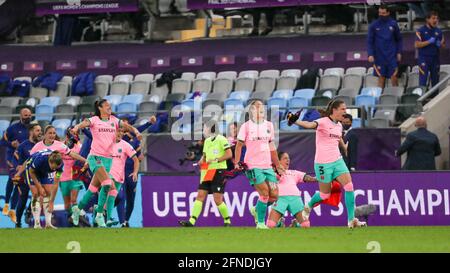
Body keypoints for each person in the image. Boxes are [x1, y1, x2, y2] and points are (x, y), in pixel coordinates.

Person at [288, 99, 366, 228]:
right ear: (334, 110)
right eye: (342, 109)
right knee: (325, 194)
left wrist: (344, 148)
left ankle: (351, 220)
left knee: (349, 186)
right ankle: (308, 206)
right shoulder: (322, 122)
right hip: (323, 163)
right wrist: (295, 120)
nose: (345, 111)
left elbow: (339, 137)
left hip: (337, 160)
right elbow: (308, 125)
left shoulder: (339, 125)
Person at [70, 99, 143, 227]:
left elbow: (126, 126)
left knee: (92, 189)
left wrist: (135, 131)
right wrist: (76, 127)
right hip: (95, 157)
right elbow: (85, 123)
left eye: (110, 106)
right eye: (107, 106)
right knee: (108, 183)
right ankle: (99, 215)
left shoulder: (114, 120)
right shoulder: (95, 120)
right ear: (100, 108)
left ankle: (77, 210)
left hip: (108, 159)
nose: (109, 107)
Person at [234, 99, 284, 229]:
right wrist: (237, 162)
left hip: (267, 166)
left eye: (261, 106)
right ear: (251, 110)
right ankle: (261, 223)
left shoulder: (269, 125)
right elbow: (239, 145)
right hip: (253, 165)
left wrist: (278, 165)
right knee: (265, 193)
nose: (260, 108)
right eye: (256, 106)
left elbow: (272, 147)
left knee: (274, 195)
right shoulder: (246, 126)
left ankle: (256, 209)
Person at [178, 121, 233, 227]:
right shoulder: (207, 141)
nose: (204, 131)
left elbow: (229, 154)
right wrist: (201, 161)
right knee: (200, 195)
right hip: (208, 171)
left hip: (219, 171)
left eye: (205, 128)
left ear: (210, 129)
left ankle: (227, 221)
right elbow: (205, 156)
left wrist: (216, 160)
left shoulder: (221, 139)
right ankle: (192, 221)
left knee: (218, 199)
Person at [117, 115, 155, 227]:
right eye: (122, 124)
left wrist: (149, 123)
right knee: (121, 197)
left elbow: (138, 156)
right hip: (120, 172)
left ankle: (126, 220)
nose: (123, 127)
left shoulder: (133, 140)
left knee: (131, 200)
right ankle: (122, 221)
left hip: (132, 172)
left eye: (125, 124)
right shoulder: (119, 138)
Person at [266, 152, 317, 229]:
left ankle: (296, 224)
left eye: (289, 158)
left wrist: (316, 178)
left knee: (306, 225)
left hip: (295, 199)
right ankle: (279, 223)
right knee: (270, 225)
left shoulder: (294, 172)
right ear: (278, 161)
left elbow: (306, 177)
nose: (288, 160)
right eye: (285, 158)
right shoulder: (272, 173)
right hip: (280, 199)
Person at [104, 128, 139, 227]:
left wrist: (135, 172)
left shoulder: (126, 145)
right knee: (118, 196)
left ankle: (101, 212)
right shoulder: (106, 143)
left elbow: (136, 160)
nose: (120, 133)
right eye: (118, 131)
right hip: (106, 176)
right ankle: (114, 219)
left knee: (119, 198)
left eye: (121, 132)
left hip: (120, 178)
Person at [1, 107, 32, 219]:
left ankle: (12, 209)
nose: (28, 117)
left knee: (19, 184)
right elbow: (2, 142)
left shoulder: (32, 129)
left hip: (24, 160)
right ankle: (6, 204)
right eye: (25, 115)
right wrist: (11, 144)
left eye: (29, 115)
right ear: (20, 116)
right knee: (13, 179)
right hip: (12, 158)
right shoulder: (12, 128)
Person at [24, 150, 64, 229]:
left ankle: (48, 224)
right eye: (53, 167)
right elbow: (31, 171)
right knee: (36, 193)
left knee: (48, 192)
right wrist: (39, 186)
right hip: (32, 170)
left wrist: (52, 202)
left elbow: (56, 184)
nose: (54, 169)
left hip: (45, 172)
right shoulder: (40, 160)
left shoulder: (60, 165)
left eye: (56, 168)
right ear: (50, 162)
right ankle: (37, 224)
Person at [13, 123, 42, 228]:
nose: (40, 133)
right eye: (37, 130)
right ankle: (18, 222)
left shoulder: (41, 144)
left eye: (40, 130)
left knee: (37, 194)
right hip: (25, 175)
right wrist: (18, 172)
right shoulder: (23, 146)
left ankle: (30, 211)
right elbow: (20, 163)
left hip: (38, 174)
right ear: (31, 132)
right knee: (23, 197)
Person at [367, 4, 403, 88]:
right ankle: (380, 99)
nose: (381, 15)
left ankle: (396, 96)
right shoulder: (373, 25)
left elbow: (399, 39)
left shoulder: (393, 24)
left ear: (388, 13)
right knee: (381, 78)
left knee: (394, 77)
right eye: (380, 13)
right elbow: (369, 41)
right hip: (379, 56)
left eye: (383, 13)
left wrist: (399, 52)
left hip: (391, 56)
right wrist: (370, 54)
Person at [59, 127, 85, 223]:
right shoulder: (61, 146)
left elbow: (83, 161)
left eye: (75, 133)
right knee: (67, 206)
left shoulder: (79, 147)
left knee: (74, 200)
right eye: (71, 133)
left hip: (75, 178)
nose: (73, 135)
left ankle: (76, 221)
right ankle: (73, 219)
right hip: (63, 178)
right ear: (66, 135)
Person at [415, 11, 445, 88]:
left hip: (435, 58)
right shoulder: (420, 31)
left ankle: (435, 98)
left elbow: (443, 45)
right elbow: (417, 44)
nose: (435, 20)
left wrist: (440, 44)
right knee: (423, 80)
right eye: (433, 18)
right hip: (424, 58)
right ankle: (422, 99)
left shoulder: (439, 31)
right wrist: (428, 42)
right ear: (427, 20)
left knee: (435, 80)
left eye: (437, 18)